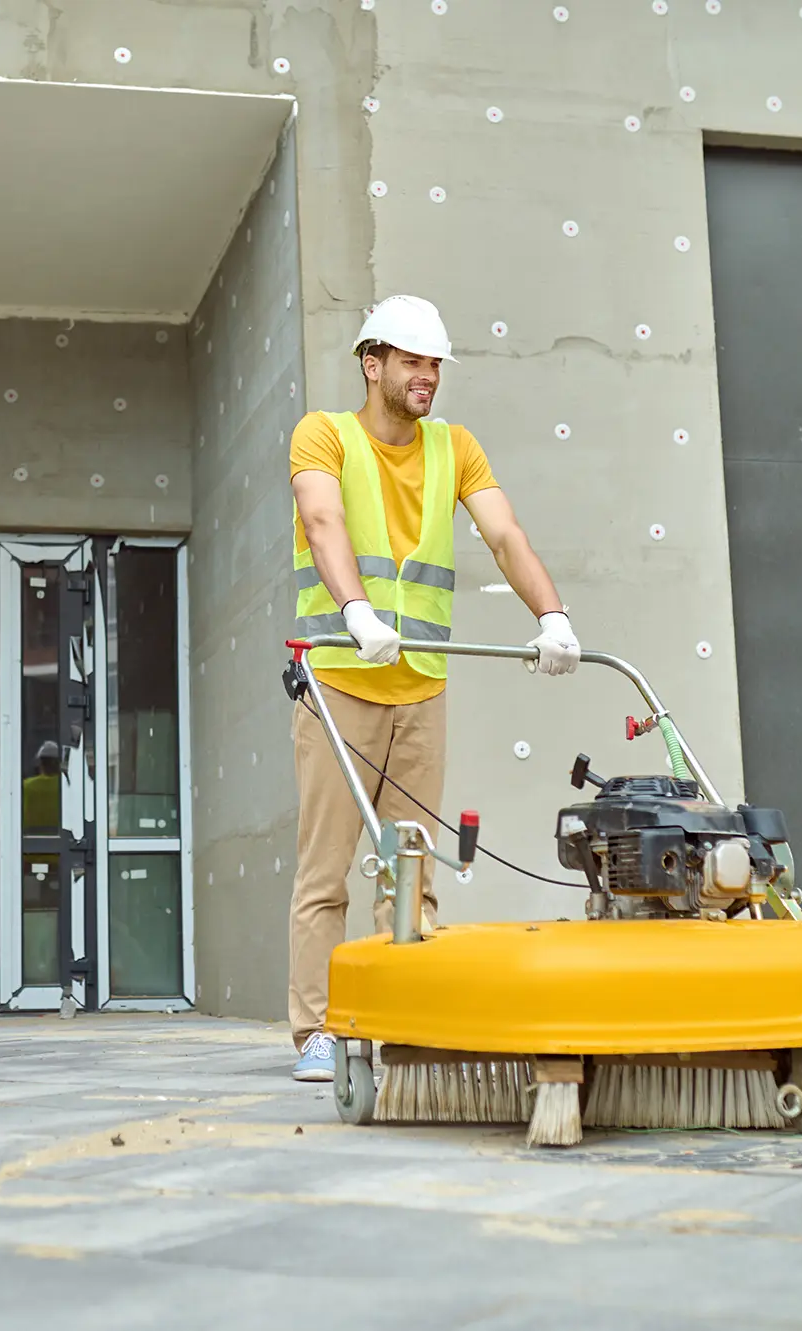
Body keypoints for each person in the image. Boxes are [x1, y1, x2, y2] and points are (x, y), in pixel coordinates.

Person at [287, 294, 581, 1081]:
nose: (426, 376)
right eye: (411, 361)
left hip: (420, 685)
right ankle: (316, 1030)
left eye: (434, 364)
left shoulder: (456, 448)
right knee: (326, 869)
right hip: (342, 680)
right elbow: (323, 524)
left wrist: (551, 616)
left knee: (409, 866)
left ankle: (403, 1022)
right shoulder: (325, 435)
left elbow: (503, 533)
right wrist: (353, 609)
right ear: (371, 363)